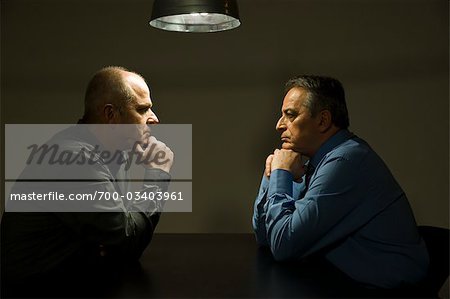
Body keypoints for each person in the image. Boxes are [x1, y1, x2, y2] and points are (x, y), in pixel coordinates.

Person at [1, 66, 174, 290]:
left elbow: (120, 241)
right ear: (111, 114)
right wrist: (157, 175)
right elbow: (126, 240)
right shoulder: (75, 160)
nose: (154, 119)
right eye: (142, 109)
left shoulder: (112, 155)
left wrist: (117, 237)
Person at [252, 75, 429, 289]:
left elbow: (283, 245)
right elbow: (265, 236)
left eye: (290, 115)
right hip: (345, 282)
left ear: (323, 121)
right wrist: (272, 174)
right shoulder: (315, 163)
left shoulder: (346, 162)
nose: (279, 125)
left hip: (389, 292)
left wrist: (281, 173)